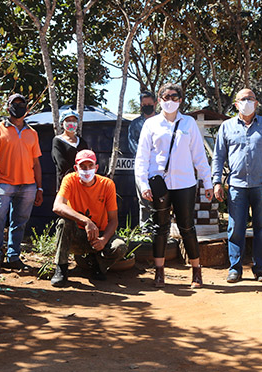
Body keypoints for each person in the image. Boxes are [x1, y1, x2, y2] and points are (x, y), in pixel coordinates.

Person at [134, 83, 213, 288]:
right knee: (160, 228)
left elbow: (199, 155)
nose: (170, 100)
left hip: (185, 183)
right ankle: (159, 272)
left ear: (180, 99)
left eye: (174, 97)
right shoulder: (151, 125)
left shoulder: (188, 123)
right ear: (159, 99)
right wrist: (143, 184)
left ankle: (196, 271)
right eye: (165, 97)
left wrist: (208, 181)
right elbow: (141, 158)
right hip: (158, 183)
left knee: (187, 227)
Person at [212, 88, 262, 283]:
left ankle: (260, 269)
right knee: (235, 228)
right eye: (243, 99)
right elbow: (218, 156)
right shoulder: (226, 127)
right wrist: (217, 181)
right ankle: (235, 268)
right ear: (236, 104)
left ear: (256, 102)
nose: (247, 102)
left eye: (250, 98)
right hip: (236, 186)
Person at [0, 94, 43, 273]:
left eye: (21, 104)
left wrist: (39, 187)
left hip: (28, 185)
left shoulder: (32, 133)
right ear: (8, 108)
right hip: (4, 184)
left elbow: (37, 163)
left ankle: (14, 257)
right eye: (14, 104)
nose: (18, 107)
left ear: (26, 107)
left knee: (20, 222)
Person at [49, 150, 127, 286]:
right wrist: (86, 221)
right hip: (77, 234)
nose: (86, 170)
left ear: (96, 168)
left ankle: (98, 264)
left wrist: (103, 240)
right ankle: (61, 268)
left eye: (90, 166)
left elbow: (113, 220)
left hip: (99, 235)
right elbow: (57, 206)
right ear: (76, 168)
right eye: (82, 167)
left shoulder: (107, 184)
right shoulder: (70, 180)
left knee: (120, 247)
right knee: (63, 222)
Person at [127, 91, 158, 230]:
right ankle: (146, 230)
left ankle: (162, 228)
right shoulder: (134, 125)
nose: (146, 107)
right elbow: (133, 145)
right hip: (142, 167)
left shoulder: (162, 122)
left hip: (160, 167)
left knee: (161, 200)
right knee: (144, 200)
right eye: (144, 104)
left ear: (155, 104)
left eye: (149, 104)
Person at [52, 108, 90, 192]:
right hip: (66, 184)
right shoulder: (58, 141)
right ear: (62, 123)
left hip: (82, 184)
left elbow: (88, 161)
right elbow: (61, 163)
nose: (71, 122)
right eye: (68, 120)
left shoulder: (82, 142)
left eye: (74, 120)